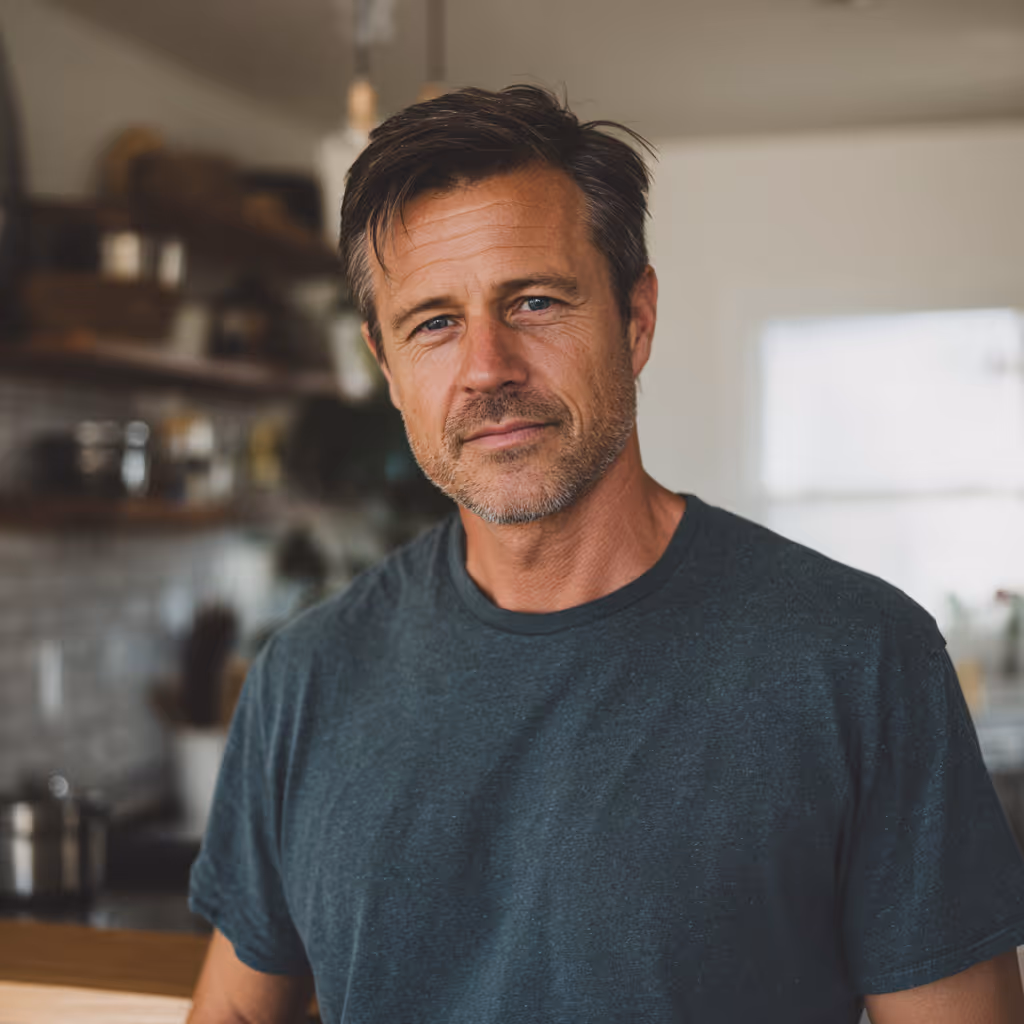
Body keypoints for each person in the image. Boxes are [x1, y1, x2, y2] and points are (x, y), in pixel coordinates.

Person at [186, 86, 1024, 1024]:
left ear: (635, 319)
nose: (487, 367)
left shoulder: (858, 661)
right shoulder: (306, 677)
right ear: (388, 367)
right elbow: (233, 1011)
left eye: (534, 301)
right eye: (434, 323)